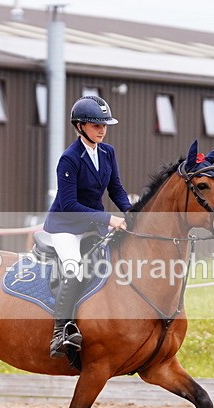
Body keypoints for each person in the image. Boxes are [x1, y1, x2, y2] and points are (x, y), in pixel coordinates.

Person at [42, 95, 132, 358]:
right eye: (96, 125)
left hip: (93, 224)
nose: (102, 130)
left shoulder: (107, 152)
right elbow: (69, 204)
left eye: (104, 125)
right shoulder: (69, 159)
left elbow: (116, 188)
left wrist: (130, 212)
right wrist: (108, 219)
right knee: (75, 269)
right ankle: (61, 332)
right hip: (65, 226)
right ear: (80, 126)